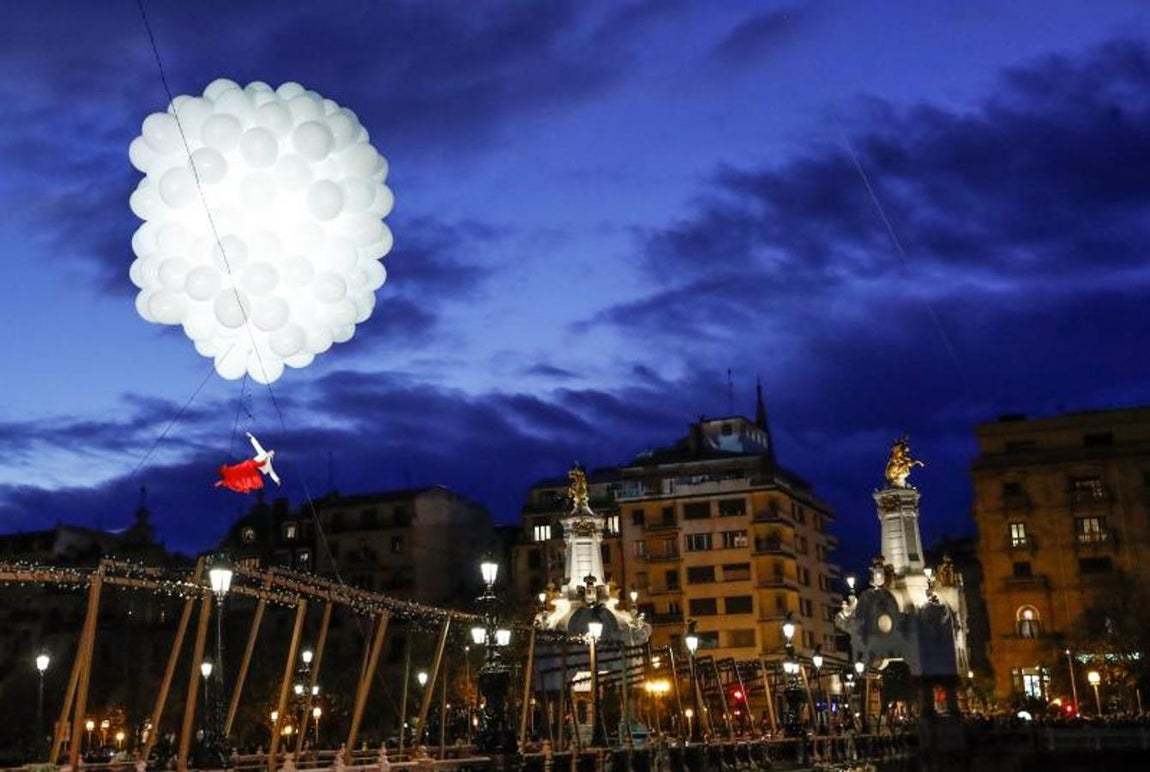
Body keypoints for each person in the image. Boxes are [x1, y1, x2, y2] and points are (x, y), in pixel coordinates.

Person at [215, 432, 280, 493]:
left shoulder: (268, 464)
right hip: (250, 464)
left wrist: (277, 480)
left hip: (253, 468)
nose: (270, 453)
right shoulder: (263, 453)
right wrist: (251, 437)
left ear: (272, 456)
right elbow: (257, 446)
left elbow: (272, 472)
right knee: (238, 469)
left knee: (244, 478)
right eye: (270, 452)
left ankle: (225, 482)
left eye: (272, 453)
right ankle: (225, 480)